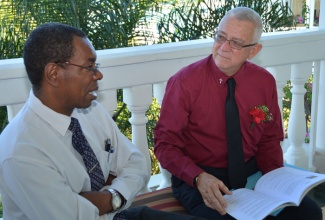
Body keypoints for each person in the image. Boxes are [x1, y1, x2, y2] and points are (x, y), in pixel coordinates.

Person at [0, 23, 206, 220]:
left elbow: (138, 164)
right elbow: (75, 217)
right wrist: (114, 184)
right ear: (54, 73)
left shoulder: (90, 112)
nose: (98, 74)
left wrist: (111, 197)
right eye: (89, 66)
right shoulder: (21, 151)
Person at [154, 7, 322, 220]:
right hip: (201, 178)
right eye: (220, 37)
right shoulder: (184, 83)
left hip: (252, 173)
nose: (223, 47)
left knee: (309, 213)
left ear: (253, 51)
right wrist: (198, 177)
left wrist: (275, 184)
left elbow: (270, 140)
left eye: (236, 43)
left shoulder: (263, 82)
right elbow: (165, 145)